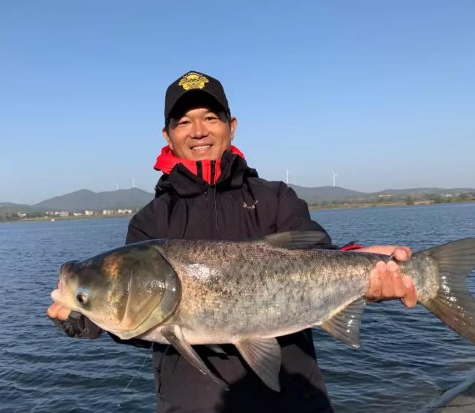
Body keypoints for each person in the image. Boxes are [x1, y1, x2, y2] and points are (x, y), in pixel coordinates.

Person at [47, 70, 417, 412]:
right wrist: (86, 319)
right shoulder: (149, 222)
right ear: (167, 135)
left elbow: (322, 257)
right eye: (184, 122)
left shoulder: (276, 198)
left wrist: (364, 262)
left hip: (296, 402)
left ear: (232, 126)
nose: (198, 131)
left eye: (210, 118)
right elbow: (138, 321)